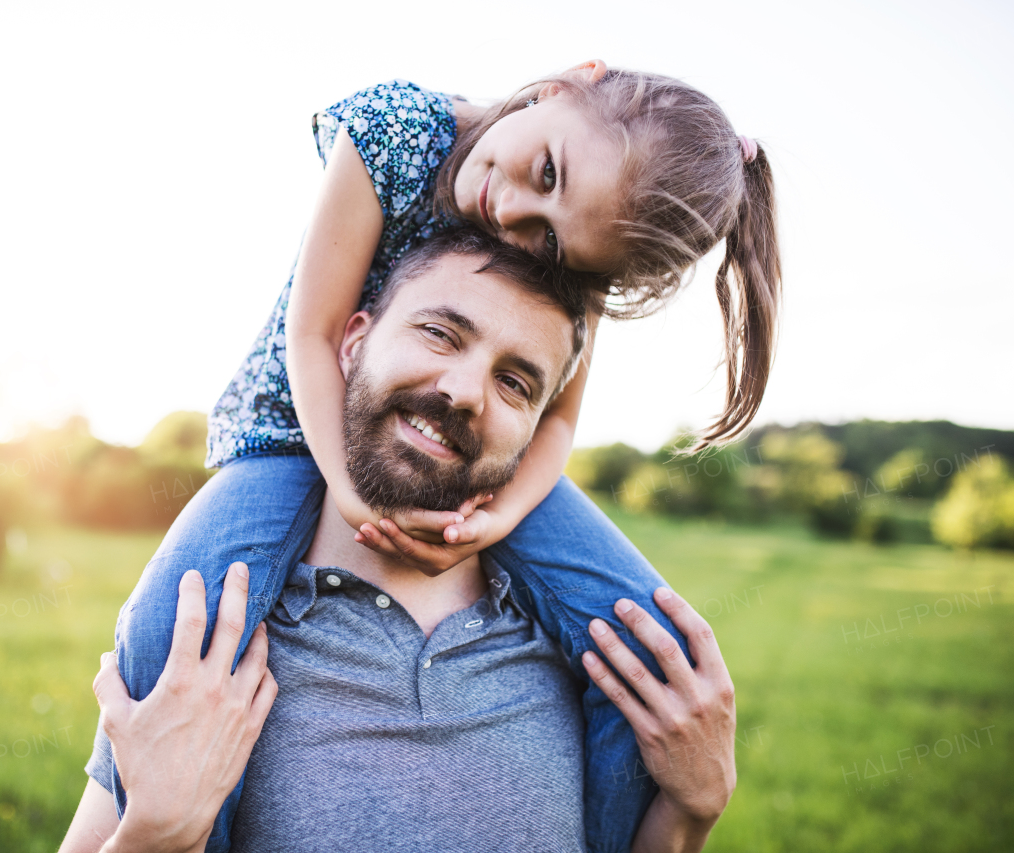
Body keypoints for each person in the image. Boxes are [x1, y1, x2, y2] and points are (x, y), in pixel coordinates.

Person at [86, 60, 780, 849]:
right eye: (545, 170)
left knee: (655, 649)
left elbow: (556, 427)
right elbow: (313, 335)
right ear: (568, 83)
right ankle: (180, 807)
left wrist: (502, 516)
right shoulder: (399, 134)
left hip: (490, 470)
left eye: (547, 238)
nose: (511, 212)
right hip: (289, 425)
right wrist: (349, 493)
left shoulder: (581, 248)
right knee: (179, 615)